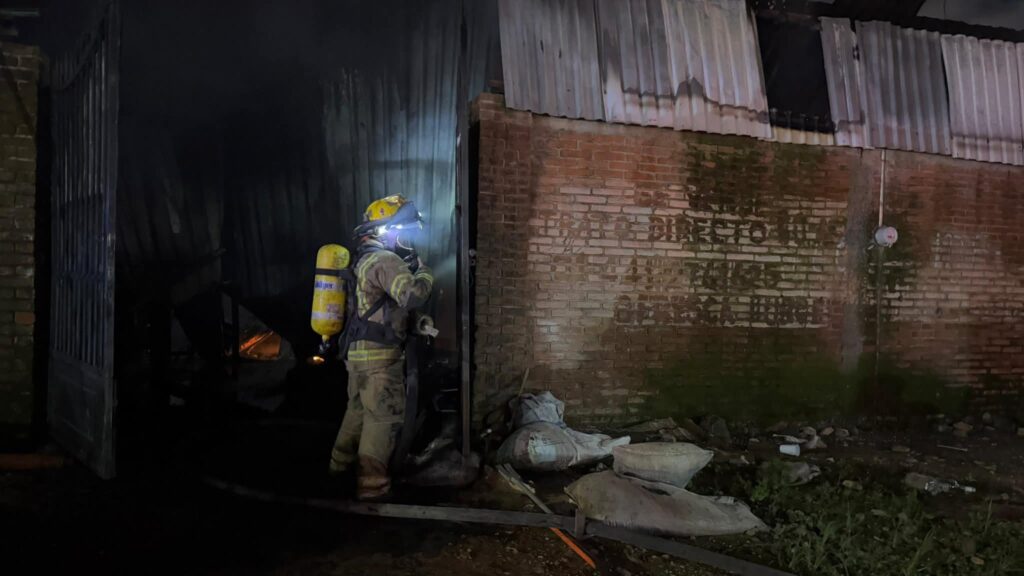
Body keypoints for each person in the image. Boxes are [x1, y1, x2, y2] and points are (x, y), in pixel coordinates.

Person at [329, 195, 433, 500]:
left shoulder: (361, 260)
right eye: (407, 230)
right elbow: (411, 295)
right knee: (383, 418)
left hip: (357, 357)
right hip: (380, 358)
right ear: (389, 230)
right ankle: (372, 489)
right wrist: (425, 273)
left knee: (357, 412)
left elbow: (380, 310)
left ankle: (338, 470)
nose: (409, 239)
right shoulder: (386, 261)